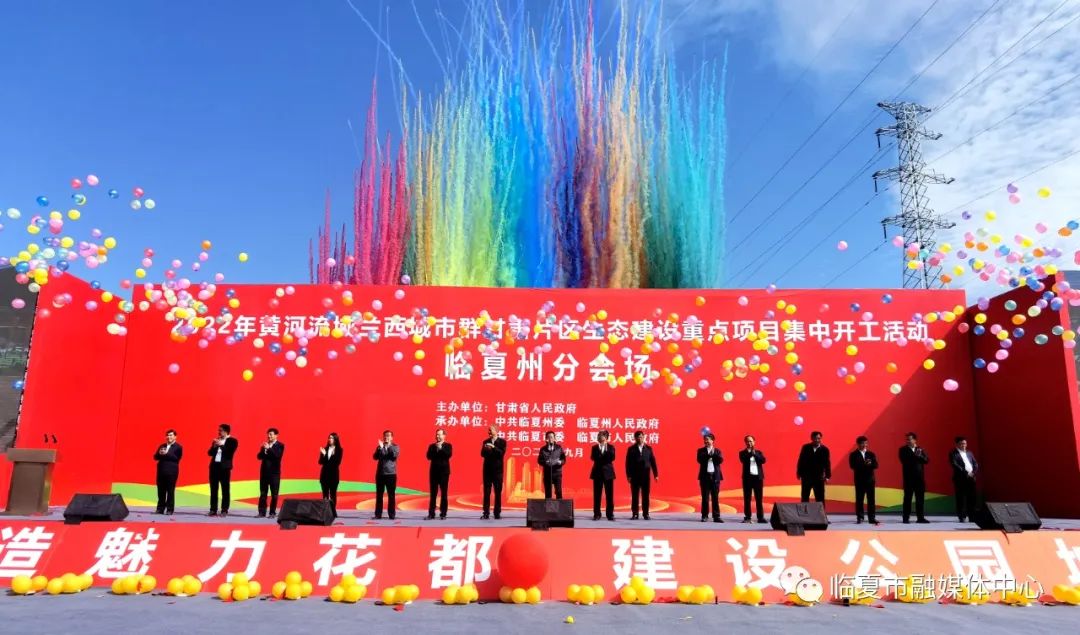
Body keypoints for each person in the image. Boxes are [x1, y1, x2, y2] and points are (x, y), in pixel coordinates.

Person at [625, 431, 658, 520]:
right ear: (635, 438)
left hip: (645, 476)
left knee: (645, 496)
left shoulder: (648, 449)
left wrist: (656, 474)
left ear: (644, 437)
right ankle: (635, 513)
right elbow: (627, 463)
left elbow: (653, 462)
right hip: (634, 476)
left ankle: (646, 514)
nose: (639, 439)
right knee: (635, 496)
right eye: (638, 437)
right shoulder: (631, 449)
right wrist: (628, 475)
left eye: (641, 437)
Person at [207, 424, 238, 517]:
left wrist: (222, 445)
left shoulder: (232, 441)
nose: (219, 432)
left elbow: (229, 452)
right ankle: (213, 509)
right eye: (219, 430)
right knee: (213, 489)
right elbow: (209, 453)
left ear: (226, 431)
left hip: (224, 468)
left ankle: (224, 509)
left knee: (225, 489)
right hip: (214, 467)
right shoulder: (217, 440)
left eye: (220, 430)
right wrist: (214, 446)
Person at [898, 432, 930, 523]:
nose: (908, 441)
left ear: (915, 440)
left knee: (920, 499)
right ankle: (906, 518)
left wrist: (920, 455)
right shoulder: (902, 450)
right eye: (907, 439)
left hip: (919, 479)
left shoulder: (920, 449)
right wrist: (915, 455)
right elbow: (904, 460)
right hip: (908, 478)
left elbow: (926, 460)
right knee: (907, 498)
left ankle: (920, 518)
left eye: (910, 439)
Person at [848, 436, 879, 525]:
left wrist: (870, 463)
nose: (864, 445)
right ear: (858, 444)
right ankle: (860, 517)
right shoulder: (853, 454)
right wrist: (864, 464)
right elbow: (852, 466)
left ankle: (872, 518)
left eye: (866, 443)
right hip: (859, 480)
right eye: (862, 443)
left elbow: (876, 465)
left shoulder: (871, 454)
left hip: (870, 480)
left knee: (871, 500)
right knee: (859, 499)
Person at [796, 431, 831, 506]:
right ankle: (804, 513)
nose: (817, 440)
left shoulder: (825, 450)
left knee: (820, 498)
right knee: (805, 497)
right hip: (806, 476)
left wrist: (828, 476)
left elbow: (827, 463)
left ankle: (821, 513)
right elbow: (801, 460)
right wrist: (799, 473)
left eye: (819, 438)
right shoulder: (806, 447)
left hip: (819, 477)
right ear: (811, 438)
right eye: (815, 438)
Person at [949, 436, 979, 523]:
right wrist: (966, 473)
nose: (963, 445)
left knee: (972, 498)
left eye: (965, 443)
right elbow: (955, 465)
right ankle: (962, 516)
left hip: (971, 478)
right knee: (961, 498)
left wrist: (973, 472)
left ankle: (972, 516)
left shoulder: (969, 453)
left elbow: (975, 463)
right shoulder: (953, 453)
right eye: (961, 444)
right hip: (960, 479)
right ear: (957, 444)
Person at [256, 428, 285, 518]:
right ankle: (262, 512)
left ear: (276, 435)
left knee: (274, 495)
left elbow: (277, 456)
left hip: (274, 474)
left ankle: (272, 512)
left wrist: (269, 449)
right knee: (263, 493)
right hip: (264, 473)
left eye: (271, 434)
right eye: (268, 434)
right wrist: (263, 450)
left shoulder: (280, 445)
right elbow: (259, 457)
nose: (269, 436)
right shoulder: (265, 445)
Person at [153, 429, 182, 515]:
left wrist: (167, 453)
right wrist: (159, 453)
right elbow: (155, 457)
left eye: (171, 435)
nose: (169, 437)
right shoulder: (162, 446)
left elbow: (176, 458)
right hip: (161, 471)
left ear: (175, 437)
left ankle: (170, 509)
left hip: (171, 472)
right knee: (161, 491)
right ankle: (160, 509)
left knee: (170, 491)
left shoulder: (178, 447)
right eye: (167, 435)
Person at [426, 428, 453, 520]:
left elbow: (448, 455)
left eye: (440, 434)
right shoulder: (432, 446)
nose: (438, 436)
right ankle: (431, 513)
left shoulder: (448, 445)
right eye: (437, 434)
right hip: (433, 472)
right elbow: (428, 456)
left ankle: (443, 513)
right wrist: (436, 448)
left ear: (444, 436)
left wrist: (440, 448)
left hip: (444, 473)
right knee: (433, 494)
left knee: (444, 493)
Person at [739, 435, 767, 523]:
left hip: (758, 478)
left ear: (754, 442)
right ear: (745, 442)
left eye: (751, 441)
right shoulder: (742, 453)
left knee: (759, 498)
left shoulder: (758, 452)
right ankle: (747, 517)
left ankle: (760, 517)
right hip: (747, 479)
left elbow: (763, 460)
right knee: (747, 498)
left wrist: (755, 454)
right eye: (747, 441)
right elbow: (743, 460)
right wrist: (750, 453)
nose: (749, 443)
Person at [480, 426, 506, 520]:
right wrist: (488, 448)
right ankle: (486, 513)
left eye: (491, 430)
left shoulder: (502, 442)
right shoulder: (485, 441)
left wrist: (493, 447)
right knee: (486, 492)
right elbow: (482, 454)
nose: (489, 432)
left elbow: (501, 453)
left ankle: (497, 513)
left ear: (496, 431)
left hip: (498, 471)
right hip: (487, 470)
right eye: (489, 430)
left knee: (497, 492)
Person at [590, 431, 616, 521]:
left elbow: (612, 457)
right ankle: (597, 514)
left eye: (600, 436)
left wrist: (602, 454)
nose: (599, 437)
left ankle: (610, 514)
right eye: (598, 436)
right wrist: (602, 456)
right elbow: (593, 457)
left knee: (609, 495)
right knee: (597, 495)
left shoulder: (611, 447)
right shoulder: (594, 447)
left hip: (608, 474)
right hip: (597, 473)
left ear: (605, 437)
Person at [697, 433, 723, 523]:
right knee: (705, 498)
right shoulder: (701, 451)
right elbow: (700, 460)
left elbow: (720, 460)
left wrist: (712, 454)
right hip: (704, 477)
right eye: (705, 439)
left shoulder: (717, 451)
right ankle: (704, 516)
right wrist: (709, 454)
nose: (706, 441)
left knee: (715, 498)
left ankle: (716, 516)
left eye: (708, 439)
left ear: (712, 440)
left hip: (715, 477)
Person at [373, 430, 398, 520]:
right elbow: (375, 457)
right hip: (380, 474)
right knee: (379, 495)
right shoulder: (380, 447)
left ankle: (391, 514)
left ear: (391, 438)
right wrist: (380, 448)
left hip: (391, 474)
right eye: (385, 436)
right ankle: (378, 514)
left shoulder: (395, 447)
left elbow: (393, 456)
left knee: (391, 495)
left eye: (388, 436)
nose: (386, 437)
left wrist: (387, 447)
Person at [318, 432, 343, 518]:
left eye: (331, 438)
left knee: (333, 495)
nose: (329, 439)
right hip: (324, 476)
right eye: (329, 438)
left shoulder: (339, 450)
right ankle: (325, 512)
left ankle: (332, 512)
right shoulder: (325, 449)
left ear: (335, 439)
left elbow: (336, 462)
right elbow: (320, 462)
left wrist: (325, 455)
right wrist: (323, 454)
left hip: (333, 476)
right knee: (325, 495)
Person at [538, 431, 567, 499]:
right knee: (548, 493)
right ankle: (548, 506)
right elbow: (539, 460)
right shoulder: (543, 449)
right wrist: (546, 462)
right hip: (547, 473)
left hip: (557, 473)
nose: (550, 439)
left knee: (558, 491)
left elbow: (563, 459)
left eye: (552, 437)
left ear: (554, 438)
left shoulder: (559, 448)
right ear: (546, 439)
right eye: (548, 437)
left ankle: (559, 506)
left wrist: (560, 462)